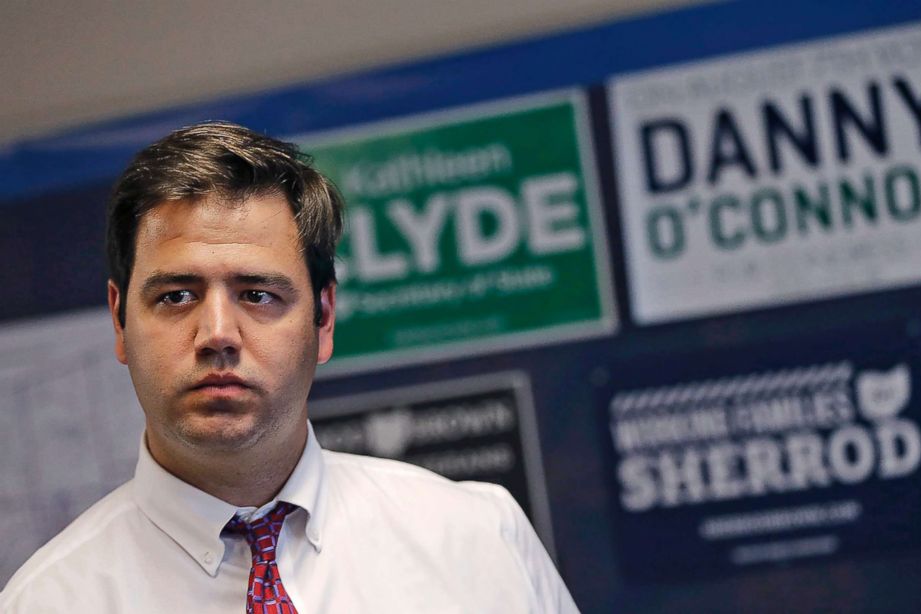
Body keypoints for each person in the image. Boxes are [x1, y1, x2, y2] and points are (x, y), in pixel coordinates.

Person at [0, 122, 579, 613]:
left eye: (256, 294)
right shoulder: (45, 601)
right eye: (176, 296)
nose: (217, 334)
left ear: (323, 317)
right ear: (120, 320)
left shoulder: (478, 540)